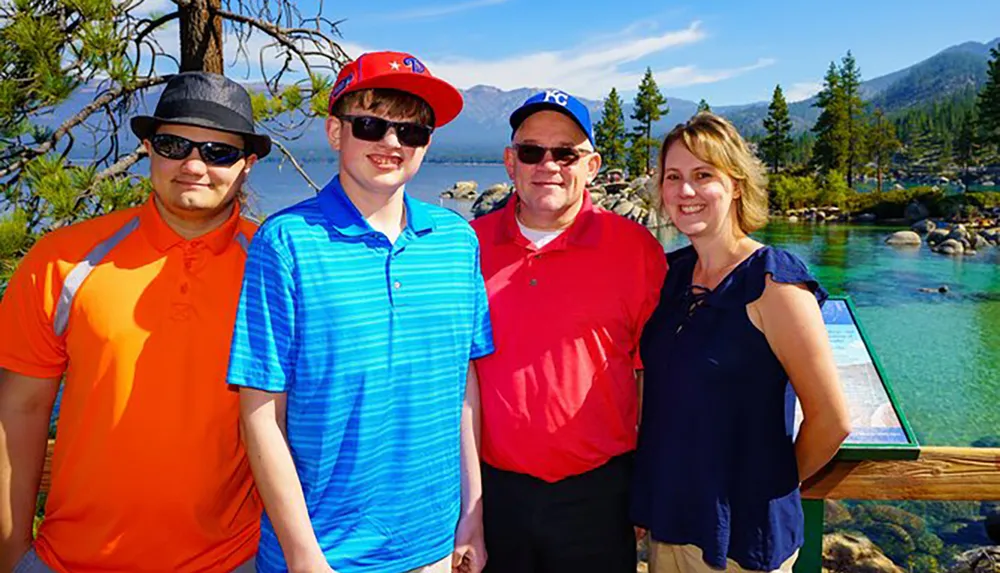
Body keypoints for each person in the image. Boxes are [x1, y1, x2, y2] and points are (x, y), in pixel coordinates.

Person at [228, 51, 493, 573]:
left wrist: (472, 516)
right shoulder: (285, 244)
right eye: (371, 125)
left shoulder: (457, 242)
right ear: (335, 132)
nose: (392, 143)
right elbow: (260, 416)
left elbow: (462, 386)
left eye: (411, 132)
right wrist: (305, 558)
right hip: (323, 555)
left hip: (436, 548)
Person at [0, 72, 269, 573]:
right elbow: (19, 413)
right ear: (148, 148)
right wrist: (13, 554)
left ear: (247, 165)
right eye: (174, 144)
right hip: (68, 562)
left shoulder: (272, 270)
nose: (193, 165)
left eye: (218, 152)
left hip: (234, 561)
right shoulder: (62, 261)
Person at [631, 112, 851, 573]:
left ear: (735, 185)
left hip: (742, 542)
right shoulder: (669, 277)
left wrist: (766, 485)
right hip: (670, 525)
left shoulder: (774, 283)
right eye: (674, 177)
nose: (685, 191)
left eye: (703, 175)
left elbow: (832, 421)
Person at [470, 90, 667, 573]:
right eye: (532, 152)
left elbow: (655, 378)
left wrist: (648, 483)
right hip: (493, 493)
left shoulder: (635, 249)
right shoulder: (467, 247)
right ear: (510, 162)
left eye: (566, 153)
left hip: (599, 494)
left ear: (592, 165)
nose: (548, 165)